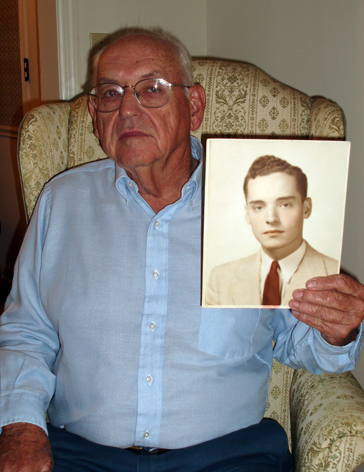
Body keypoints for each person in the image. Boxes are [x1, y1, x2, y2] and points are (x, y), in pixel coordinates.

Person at [1, 28, 364, 472]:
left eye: (151, 89)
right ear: (95, 118)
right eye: (110, 94)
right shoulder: (63, 202)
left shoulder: (257, 208)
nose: (127, 109)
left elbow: (298, 342)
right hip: (81, 454)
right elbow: (26, 334)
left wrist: (336, 328)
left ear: (193, 107)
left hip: (228, 456)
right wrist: (20, 426)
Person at [206, 155, 338, 307]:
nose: (271, 219)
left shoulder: (334, 273)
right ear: (248, 213)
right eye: (259, 207)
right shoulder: (221, 278)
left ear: (306, 208)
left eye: (285, 204)